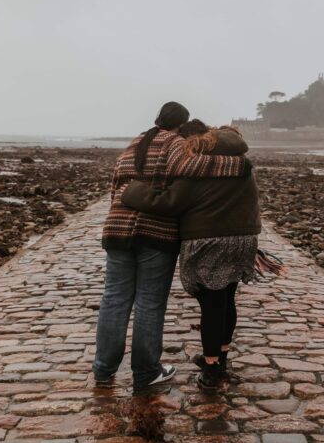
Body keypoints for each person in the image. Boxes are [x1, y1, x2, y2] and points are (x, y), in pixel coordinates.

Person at [93, 102, 249, 389]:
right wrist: (239, 165)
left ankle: (103, 370)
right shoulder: (175, 144)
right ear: (181, 124)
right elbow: (193, 166)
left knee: (113, 300)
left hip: (116, 229)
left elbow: (115, 187)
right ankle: (146, 371)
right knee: (149, 304)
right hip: (156, 232)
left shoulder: (134, 142)